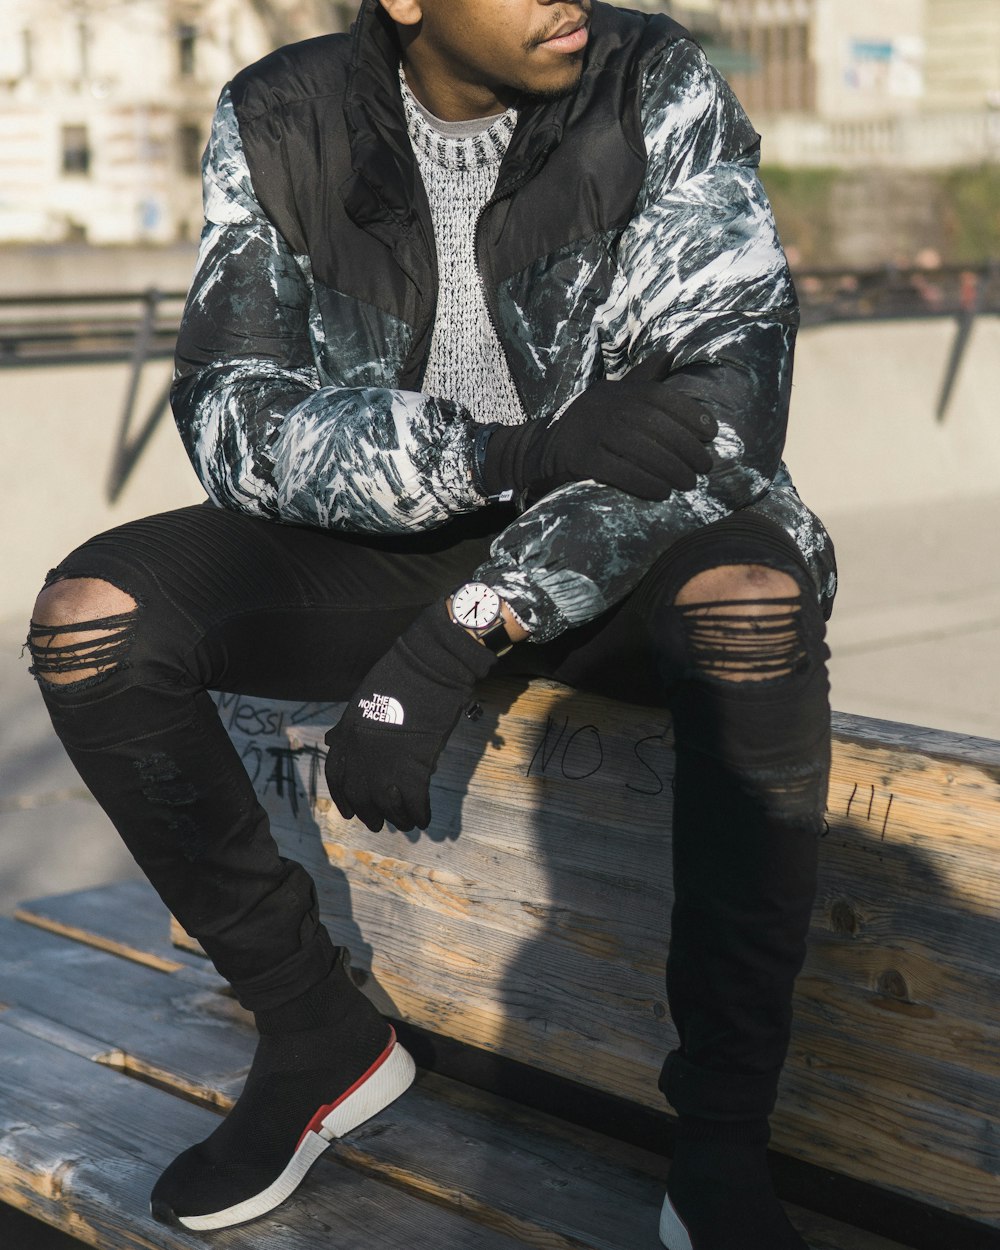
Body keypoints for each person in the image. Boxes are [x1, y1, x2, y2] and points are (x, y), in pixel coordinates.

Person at [26, 2, 836, 1246]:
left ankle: (721, 1140)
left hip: (638, 532)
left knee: (752, 609)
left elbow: (725, 400)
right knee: (95, 622)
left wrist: (467, 624)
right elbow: (234, 415)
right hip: (398, 531)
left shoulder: (653, 79)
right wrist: (501, 450)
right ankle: (317, 1038)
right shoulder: (281, 115)